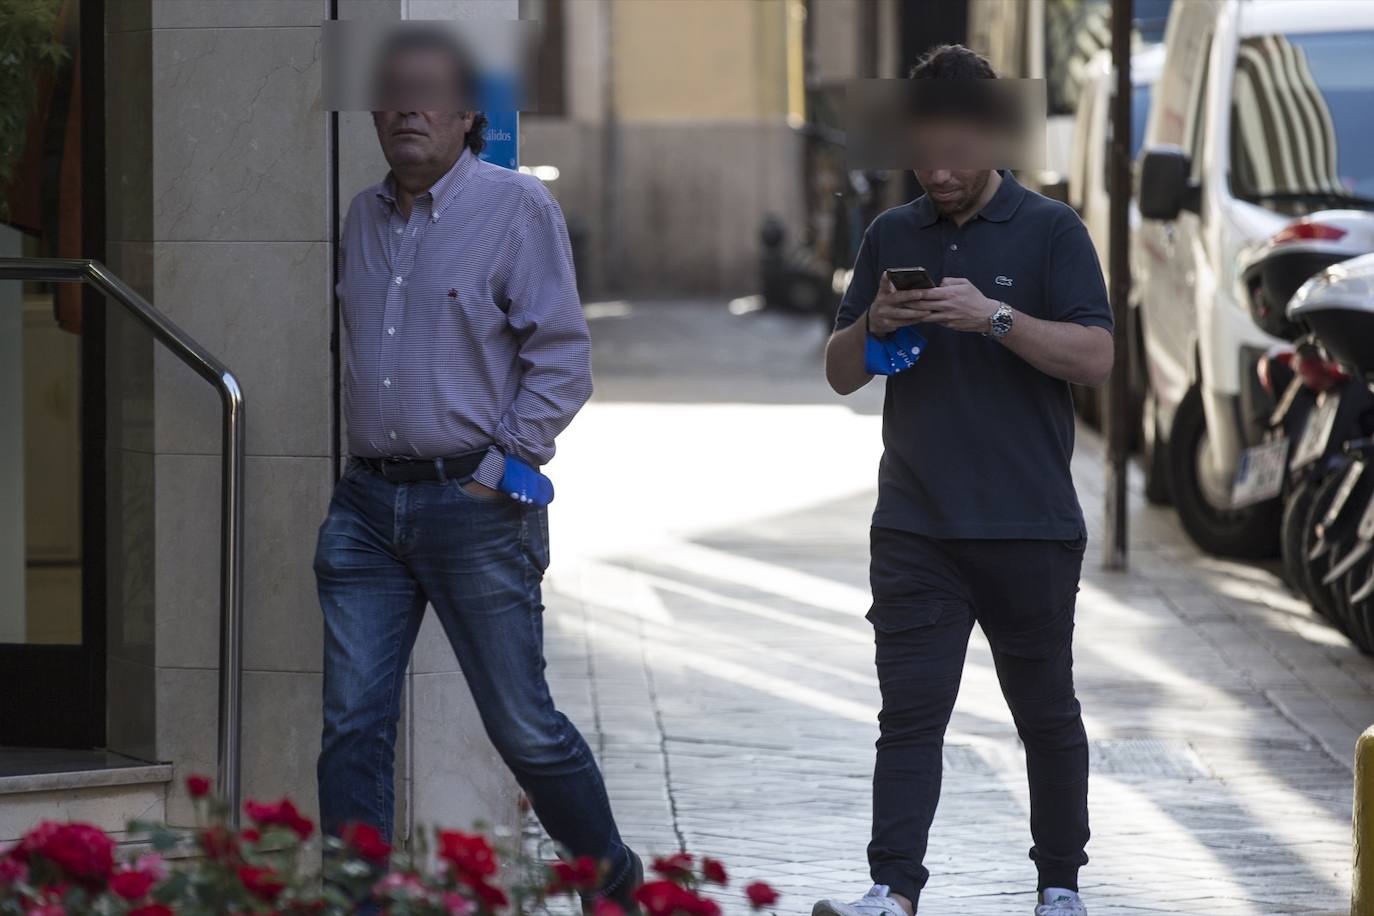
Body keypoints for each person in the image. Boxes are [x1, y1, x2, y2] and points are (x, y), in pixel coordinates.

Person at [314, 28, 641, 912]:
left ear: (468, 116)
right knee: (352, 727)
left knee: (523, 729)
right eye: (393, 94)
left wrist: (501, 469)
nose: (407, 109)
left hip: (474, 506)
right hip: (367, 508)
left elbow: (562, 360)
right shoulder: (360, 216)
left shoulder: (515, 209)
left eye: (430, 94)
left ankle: (608, 872)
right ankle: (358, 900)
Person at [812, 44, 1114, 916]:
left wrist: (995, 317)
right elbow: (837, 372)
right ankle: (891, 890)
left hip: (1028, 525)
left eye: (955, 151)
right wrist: (873, 319)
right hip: (916, 524)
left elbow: (1095, 357)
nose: (938, 172)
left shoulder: (1052, 231)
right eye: (923, 153)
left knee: (1045, 716)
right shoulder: (890, 235)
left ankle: (1060, 885)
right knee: (909, 716)